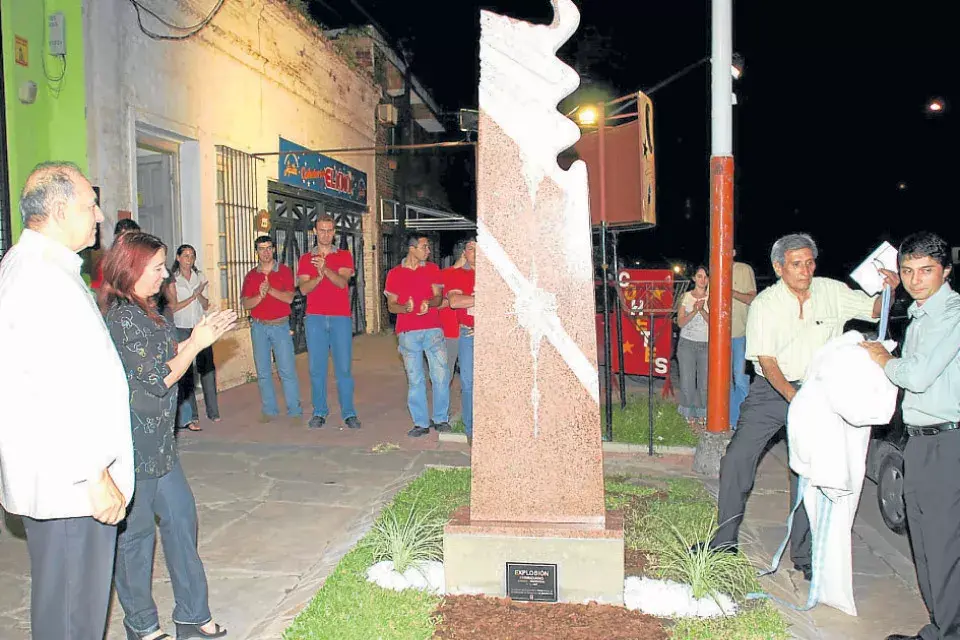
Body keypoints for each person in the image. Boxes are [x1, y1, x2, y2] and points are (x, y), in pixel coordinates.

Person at [704, 233, 898, 581]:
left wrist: (889, 289)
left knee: (808, 472)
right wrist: (796, 400)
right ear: (779, 268)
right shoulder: (766, 303)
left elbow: (873, 310)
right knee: (737, 460)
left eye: (809, 262)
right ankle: (723, 542)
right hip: (772, 393)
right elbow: (767, 360)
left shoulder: (830, 291)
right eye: (796, 264)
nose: (805, 270)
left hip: (818, 391)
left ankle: (805, 555)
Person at [0, 162, 134, 640]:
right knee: (73, 619)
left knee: (70, 613)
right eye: (88, 204)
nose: (99, 215)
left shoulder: (45, 268)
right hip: (71, 485)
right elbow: (49, 386)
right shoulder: (38, 277)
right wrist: (94, 473)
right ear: (57, 211)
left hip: (68, 481)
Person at [100, 232, 236, 640]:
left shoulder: (149, 310)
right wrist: (195, 344)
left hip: (160, 443)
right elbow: (159, 379)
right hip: (134, 450)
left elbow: (167, 353)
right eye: (157, 267)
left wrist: (195, 336)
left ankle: (192, 616)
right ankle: (142, 625)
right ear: (132, 269)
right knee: (136, 541)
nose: (164, 275)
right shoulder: (122, 318)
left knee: (181, 520)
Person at [860, 232, 960, 640]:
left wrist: (886, 359)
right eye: (908, 271)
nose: (917, 279)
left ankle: (950, 630)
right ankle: (940, 626)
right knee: (924, 542)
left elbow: (916, 375)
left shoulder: (951, 313)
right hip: (920, 440)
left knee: (942, 544)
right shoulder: (922, 312)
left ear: (946, 271)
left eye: (926, 271)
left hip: (946, 441)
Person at [297, 214, 360, 430]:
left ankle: (349, 412)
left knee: (343, 367)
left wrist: (324, 269)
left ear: (334, 232)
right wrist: (318, 276)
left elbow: (343, 283)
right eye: (322, 230)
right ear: (315, 231)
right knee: (317, 368)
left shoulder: (344, 255)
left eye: (329, 230)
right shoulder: (306, 258)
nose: (325, 234)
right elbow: (304, 289)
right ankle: (319, 411)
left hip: (340, 317)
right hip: (315, 317)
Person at [384, 233, 451, 437]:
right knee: (415, 379)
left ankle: (441, 418)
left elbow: (438, 298)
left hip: (433, 329)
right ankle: (420, 422)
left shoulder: (432, 269)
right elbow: (391, 305)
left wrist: (427, 303)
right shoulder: (394, 274)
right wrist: (405, 308)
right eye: (424, 247)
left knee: (440, 375)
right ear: (411, 249)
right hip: (408, 333)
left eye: (428, 247)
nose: (428, 250)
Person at [242, 235, 302, 422]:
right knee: (263, 371)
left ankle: (294, 411)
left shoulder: (284, 271)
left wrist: (269, 290)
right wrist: (260, 297)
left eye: (269, 248)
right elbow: (245, 303)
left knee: (287, 370)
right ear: (256, 252)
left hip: (280, 326)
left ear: (274, 249)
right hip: (259, 327)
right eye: (261, 249)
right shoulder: (251, 275)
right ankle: (269, 409)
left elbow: (289, 298)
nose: (265, 252)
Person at [166, 244, 220, 431]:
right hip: (181, 327)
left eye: (192, 256)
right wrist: (192, 295)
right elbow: (173, 307)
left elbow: (205, 304)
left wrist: (200, 296)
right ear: (178, 258)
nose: (189, 259)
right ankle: (192, 417)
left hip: (199, 325)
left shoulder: (200, 277)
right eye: (186, 255)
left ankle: (214, 411)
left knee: (207, 369)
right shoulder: (173, 279)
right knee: (187, 371)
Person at [445, 238, 477, 445]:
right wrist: (487, 297)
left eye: (479, 250)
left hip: (492, 335)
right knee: (467, 382)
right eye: (471, 249)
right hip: (467, 335)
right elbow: (455, 302)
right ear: (464, 253)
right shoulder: (457, 275)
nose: (475, 253)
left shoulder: (496, 276)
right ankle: (471, 429)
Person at [676, 266, 710, 427]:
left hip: (706, 345)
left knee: (704, 383)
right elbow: (680, 322)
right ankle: (687, 413)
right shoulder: (686, 297)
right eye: (699, 276)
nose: (703, 280)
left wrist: (702, 310)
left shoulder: (713, 297)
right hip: (687, 344)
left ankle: (703, 412)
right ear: (694, 278)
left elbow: (715, 324)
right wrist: (694, 311)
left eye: (705, 277)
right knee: (687, 381)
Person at [730, 250, 757, 429]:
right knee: (724, 382)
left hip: (740, 334)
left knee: (740, 379)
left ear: (733, 252)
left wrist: (731, 292)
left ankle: (749, 421)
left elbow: (752, 298)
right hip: (718, 337)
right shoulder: (714, 271)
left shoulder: (744, 269)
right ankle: (732, 421)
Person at [439, 250, 468, 385]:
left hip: (468, 331)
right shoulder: (446, 274)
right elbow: (434, 304)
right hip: (450, 331)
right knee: (446, 373)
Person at [90, 217, 141, 290]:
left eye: (136, 239)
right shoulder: (105, 264)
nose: (132, 243)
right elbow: (98, 291)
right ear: (116, 238)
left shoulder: (142, 261)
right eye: (127, 238)